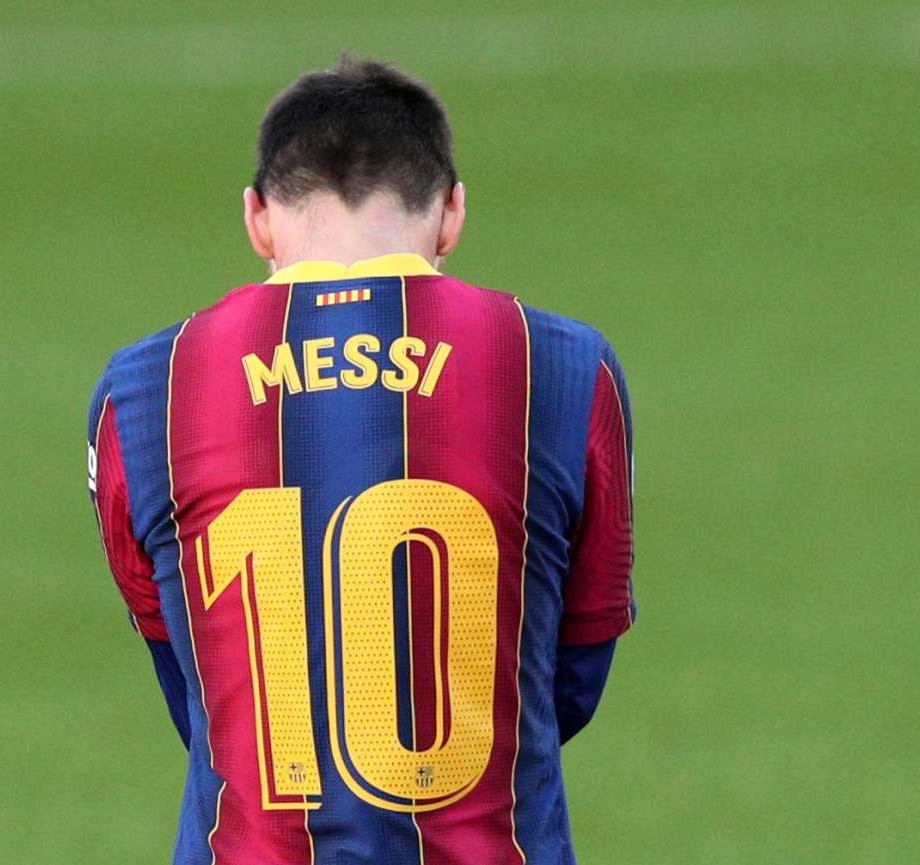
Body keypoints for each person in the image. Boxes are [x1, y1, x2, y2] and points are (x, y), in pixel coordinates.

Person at [87, 56, 635, 865]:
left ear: (257, 219)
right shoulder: (561, 365)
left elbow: (193, 685)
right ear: (452, 213)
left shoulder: (144, 392)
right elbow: (571, 677)